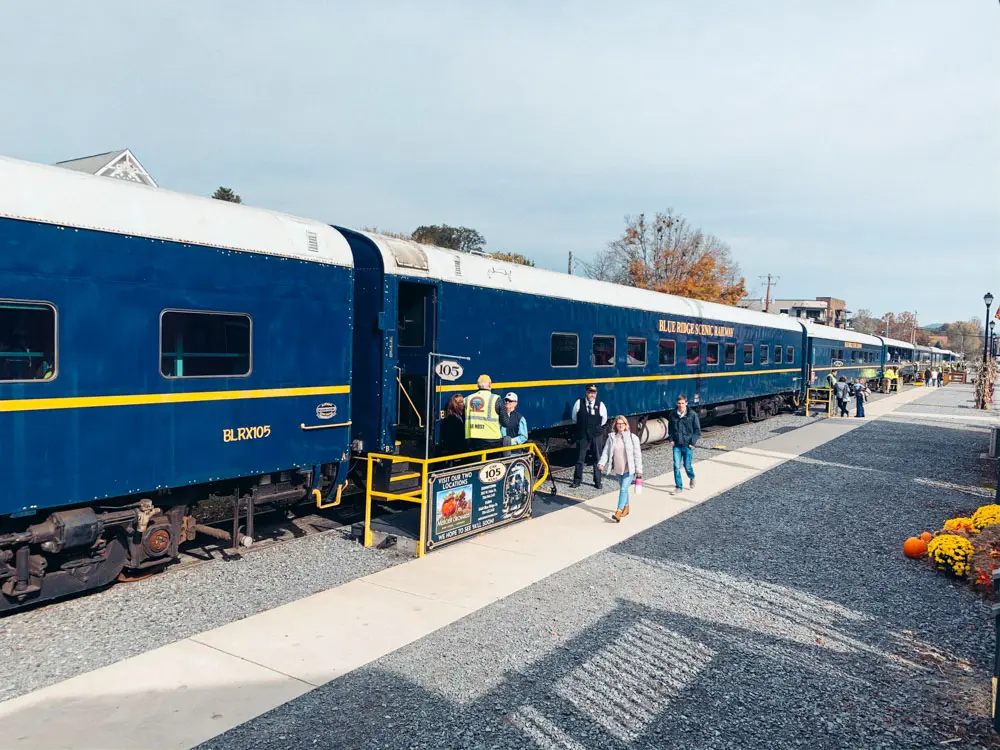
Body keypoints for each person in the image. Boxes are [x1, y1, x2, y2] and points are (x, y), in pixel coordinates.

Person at [597, 415, 643, 522]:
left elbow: (637, 455)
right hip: (618, 468)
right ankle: (626, 507)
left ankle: (618, 511)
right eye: (618, 424)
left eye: (622, 424)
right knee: (624, 488)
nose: (620, 426)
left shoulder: (633, 438)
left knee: (623, 489)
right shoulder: (612, 438)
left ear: (626, 425)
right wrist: (602, 462)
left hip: (629, 469)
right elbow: (606, 452)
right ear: (616, 425)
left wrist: (639, 471)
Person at [570, 384, 608, 489]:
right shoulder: (579, 403)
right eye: (589, 392)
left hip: (596, 435)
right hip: (582, 434)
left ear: (596, 394)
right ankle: (577, 480)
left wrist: (596, 428)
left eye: (593, 393)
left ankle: (598, 481)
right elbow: (574, 417)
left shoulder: (601, 405)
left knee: (597, 458)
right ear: (586, 393)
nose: (591, 395)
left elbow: (604, 419)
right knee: (579, 458)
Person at [668, 395, 701, 492]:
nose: (681, 405)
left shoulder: (692, 414)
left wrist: (693, 443)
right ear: (676, 403)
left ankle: (692, 477)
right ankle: (679, 487)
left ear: (686, 403)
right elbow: (670, 429)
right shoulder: (672, 414)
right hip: (677, 445)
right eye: (679, 403)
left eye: (683, 403)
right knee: (676, 466)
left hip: (688, 445)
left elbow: (697, 430)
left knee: (687, 466)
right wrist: (671, 439)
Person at [464, 374, 503, 451]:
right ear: (490, 385)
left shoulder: (467, 399)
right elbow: (505, 422)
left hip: (473, 440)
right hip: (492, 440)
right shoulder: (496, 399)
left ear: (477, 385)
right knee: (492, 463)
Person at [437, 394, 467, 458]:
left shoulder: (452, 417)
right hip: (456, 450)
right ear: (457, 405)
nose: (464, 404)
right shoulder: (454, 419)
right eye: (462, 402)